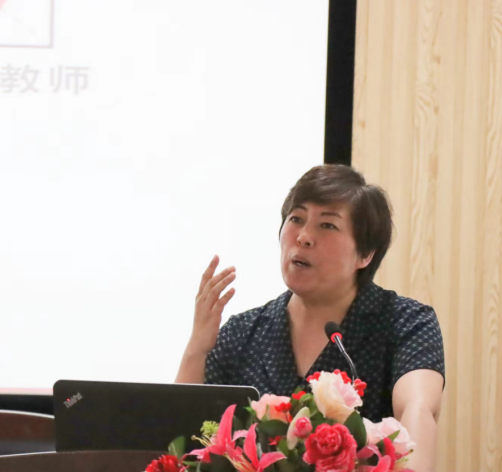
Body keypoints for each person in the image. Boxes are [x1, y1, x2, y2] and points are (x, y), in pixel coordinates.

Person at [175, 164, 444, 472]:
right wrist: (197, 349)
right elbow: (186, 438)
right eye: (296, 219)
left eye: (327, 225)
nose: (303, 237)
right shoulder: (243, 332)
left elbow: (418, 409)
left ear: (365, 254)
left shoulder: (406, 322)